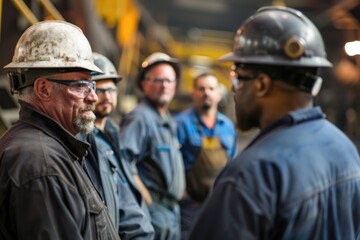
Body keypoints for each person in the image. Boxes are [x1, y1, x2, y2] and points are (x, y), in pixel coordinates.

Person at [189, 6, 360, 240]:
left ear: (261, 84)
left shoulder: (250, 176)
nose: (234, 89)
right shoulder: (346, 150)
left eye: (238, 77)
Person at [0, 21, 120, 239]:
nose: (93, 96)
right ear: (43, 89)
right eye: (80, 86)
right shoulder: (40, 162)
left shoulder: (56, 149)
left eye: (91, 85)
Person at [77, 52, 155, 239]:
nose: (106, 97)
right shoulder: (84, 142)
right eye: (100, 90)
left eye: (112, 90)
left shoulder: (113, 132)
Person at [119, 52, 185, 240]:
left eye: (169, 80)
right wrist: (146, 197)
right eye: (157, 80)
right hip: (154, 210)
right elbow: (123, 162)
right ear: (144, 84)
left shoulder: (165, 118)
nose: (164, 85)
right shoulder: (140, 117)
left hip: (170, 209)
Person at [174, 72, 237, 239]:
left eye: (211, 88)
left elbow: (231, 164)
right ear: (194, 93)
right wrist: (182, 193)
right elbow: (171, 163)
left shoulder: (228, 126)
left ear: (218, 94)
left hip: (218, 206)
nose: (206, 93)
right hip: (189, 208)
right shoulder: (180, 124)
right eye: (201, 88)